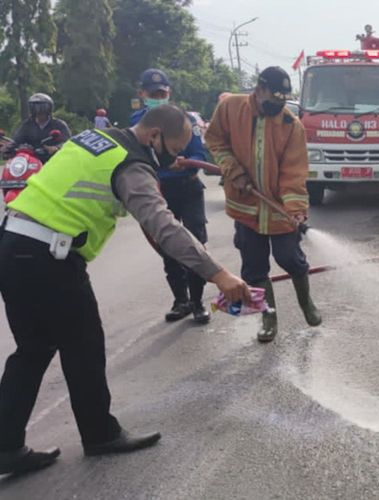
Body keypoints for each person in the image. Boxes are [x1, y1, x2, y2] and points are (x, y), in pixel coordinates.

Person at [0, 105, 253, 475]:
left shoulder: (95, 137)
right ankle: (100, 434)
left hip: (13, 245)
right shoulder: (132, 164)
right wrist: (220, 275)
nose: (175, 157)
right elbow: (164, 225)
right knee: (84, 344)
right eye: (173, 148)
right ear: (154, 137)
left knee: (33, 349)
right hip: (48, 258)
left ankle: (6, 446)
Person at [205, 66, 322, 343]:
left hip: (279, 210)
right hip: (245, 208)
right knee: (254, 268)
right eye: (273, 98)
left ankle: (307, 304)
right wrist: (233, 170)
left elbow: (294, 173)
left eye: (283, 100)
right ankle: (268, 318)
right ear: (258, 90)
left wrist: (295, 209)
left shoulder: (291, 126)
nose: (277, 106)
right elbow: (215, 140)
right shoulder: (231, 108)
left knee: (290, 259)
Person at [131, 68, 211, 324]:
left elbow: (201, 155)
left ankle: (198, 302)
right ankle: (181, 300)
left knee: (195, 242)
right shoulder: (138, 123)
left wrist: (186, 162)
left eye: (162, 93)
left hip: (188, 188)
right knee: (168, 245)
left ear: (169, 93)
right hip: (160, 192)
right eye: (153, 93)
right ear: (142, 94)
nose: (158, 96)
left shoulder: (185, 119)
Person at [5, 94, 71, 163]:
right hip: (29, 161)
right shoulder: (27, 125)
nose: (38, 112)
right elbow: (17, 139)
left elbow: (67, 142)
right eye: (35, 109)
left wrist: (56, 148)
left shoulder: (59, 124)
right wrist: (8, 147)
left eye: (42, 109)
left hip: (52, 160)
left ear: (49, 110)